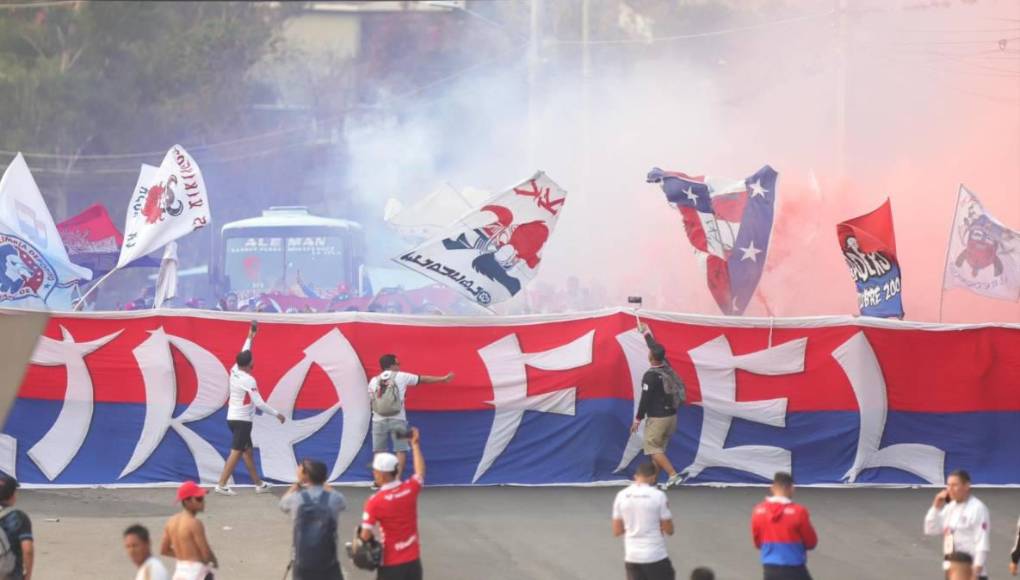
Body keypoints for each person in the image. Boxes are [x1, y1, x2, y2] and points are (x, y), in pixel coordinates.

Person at [215, 321, 286, 495]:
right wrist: (277, 414)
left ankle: (259, 484)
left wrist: (250, 337)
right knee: (237, 452)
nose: (254, 360)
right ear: (248, 365)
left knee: (247, 452)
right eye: (252, 359)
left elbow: (244, 351)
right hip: (242, 421)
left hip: (233, 418)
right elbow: (259, 403)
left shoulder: (234, 369)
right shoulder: (248, 380)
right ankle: (221, 484)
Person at [369, 354, 452, 478]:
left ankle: (379, 480)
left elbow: (372, 399)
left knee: (379, 451)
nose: (399, 366)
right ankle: (396, 480)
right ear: (392, 365)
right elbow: (423, 379)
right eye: (398, 364)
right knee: (400, 450)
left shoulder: (373, 380)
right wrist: (443, 379)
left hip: (377, 419)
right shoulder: (402, 376)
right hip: (398, 419)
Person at [360, 427, 426, 580]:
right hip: (413, 563)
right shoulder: (410, 489)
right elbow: (420, 472)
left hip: (391, 564)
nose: (373, 473)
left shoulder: (375, 501)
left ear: (381, 475)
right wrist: (415, 445)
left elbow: (365, 535)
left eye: (375, 471)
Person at [631, 323, 686, 489]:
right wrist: (645, 333)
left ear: (650, 356)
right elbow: (655, 347)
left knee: (653, 449)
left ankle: (673, 475)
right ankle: (652, 483)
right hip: (672, 418)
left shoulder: (650, 377)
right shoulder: (667, 367)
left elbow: (645, 400)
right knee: (658, 450)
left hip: (658, 419)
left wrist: (637, 419)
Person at [280, 459, 347, 580]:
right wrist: (326, 485)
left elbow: (282, 505)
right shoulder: (335, 498)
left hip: (302, 560)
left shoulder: (296, 498)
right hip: (328, 560)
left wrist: (298, 484)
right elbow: (343, 503)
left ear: (305, 476)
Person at [611, 462, 675, 580]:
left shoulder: (621, 495)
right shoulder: (659, 496)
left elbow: (617, 531)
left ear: (636, 476)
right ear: (653, 477)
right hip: (656, 556)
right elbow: (669, 530)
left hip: (632, 557)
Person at [924, 469, 990, 579]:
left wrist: (975, 573)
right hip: (952, 569)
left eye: (955, 485)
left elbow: (982, 543)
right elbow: (930, 529)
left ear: (966, 486)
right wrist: (936, 507)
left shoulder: (977, 509)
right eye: (948, 485)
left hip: (970, 570)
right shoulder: (950, 508)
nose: (950, 489)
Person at [750, 472, 818, 580]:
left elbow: (758, 543)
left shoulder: (758, 511)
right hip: (794, 567)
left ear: (772, 488)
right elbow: (811, 542)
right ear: (791, 488)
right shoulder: (798, 511)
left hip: (769, 568)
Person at [161, 481, 217, 580]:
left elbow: (164, 550)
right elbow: (205, 552)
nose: (203, 502)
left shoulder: (171, 522)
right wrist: (213, 561)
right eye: (199, 499)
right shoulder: (194, 523)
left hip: (180, 572)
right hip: (197, 572)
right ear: (187, 501)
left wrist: (184, 555)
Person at [0, 476, 33, 580]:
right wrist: (28, 574)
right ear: (12, 494)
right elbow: (28, 550)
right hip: (10, 574)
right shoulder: (18, 517)